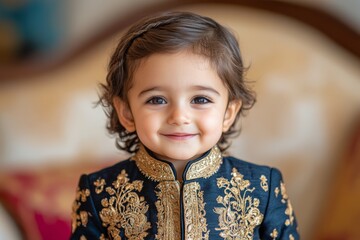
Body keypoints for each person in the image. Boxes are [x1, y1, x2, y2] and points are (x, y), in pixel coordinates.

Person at [70, 11, 299, 239]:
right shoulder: (98, 192)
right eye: (157, 100)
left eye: (200, 100)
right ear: (127, 113)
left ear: (228, 113)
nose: (179, 116)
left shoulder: (263, 187)